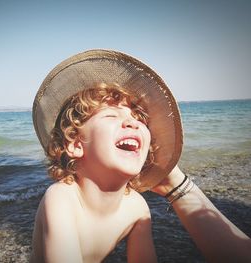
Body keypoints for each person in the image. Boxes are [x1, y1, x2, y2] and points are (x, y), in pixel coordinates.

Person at [30, 49, 251, 262]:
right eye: (110, 115)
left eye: (139, 119)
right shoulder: (62, 198)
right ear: (76, 145)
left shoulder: (137, 207)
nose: (132, 122)